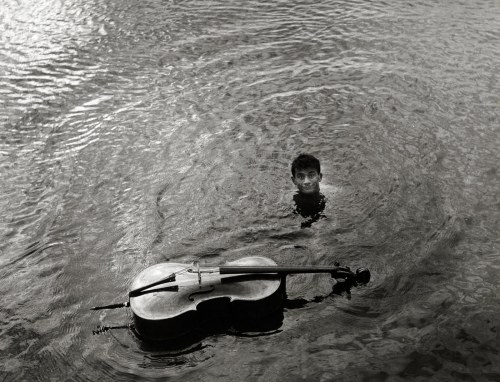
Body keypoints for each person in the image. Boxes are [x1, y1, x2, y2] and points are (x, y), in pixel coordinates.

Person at [290, 154, 326, 228]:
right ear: (294, 180)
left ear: (320, 177)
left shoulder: (330, 195)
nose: (306, 181)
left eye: (311, 175)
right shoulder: (289, 199)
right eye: (300, 177)